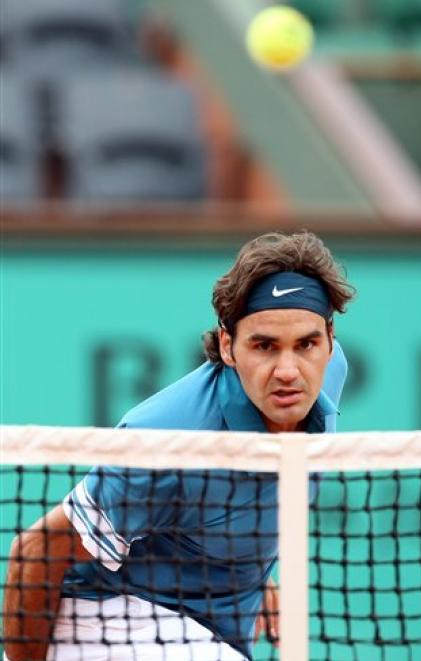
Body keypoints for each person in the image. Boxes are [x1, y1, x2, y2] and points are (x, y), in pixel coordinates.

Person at [3, 231, 354, 661]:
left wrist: (253, 575)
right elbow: (34, 552)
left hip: (209, 628)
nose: (287, 370)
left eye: (306, 344)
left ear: (329, 339)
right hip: (110, 624)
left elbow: (222, 515)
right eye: (264, 346)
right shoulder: (166, 442)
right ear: (228, 345)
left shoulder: (327, 375)